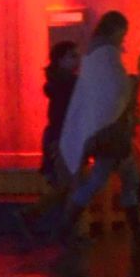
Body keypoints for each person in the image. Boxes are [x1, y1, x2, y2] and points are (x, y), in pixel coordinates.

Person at [51, 11, 140, 256]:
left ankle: (67, 227)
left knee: (115, 178)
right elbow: (115, 90)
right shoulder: (107, 55)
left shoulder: (96, 55)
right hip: (112, 131)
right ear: (116, 31)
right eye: (123, 32)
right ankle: (138, 234)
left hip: (106, 131)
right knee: (114, 179)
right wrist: (131, 85)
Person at [39, 37, 81, 191]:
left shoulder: (56, 84)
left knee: (62, 185)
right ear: (60, 60)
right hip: (64, 139)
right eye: (72, 56)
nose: (78, 60)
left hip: (57, 137)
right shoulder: (71, 84)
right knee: (68, 185)